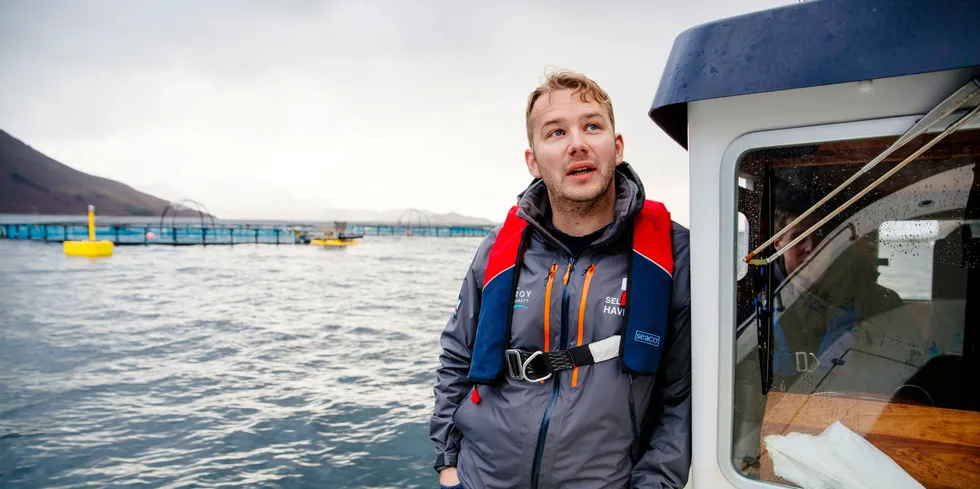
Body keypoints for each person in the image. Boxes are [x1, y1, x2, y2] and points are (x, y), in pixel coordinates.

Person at [429, 69, 692, 489]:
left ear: (617, 146)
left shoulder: (672, 254)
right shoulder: (498, 250)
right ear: (533, 161)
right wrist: (448, 467)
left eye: (592, 125)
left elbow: (682, 398)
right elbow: (457, 357)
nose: (577, 143)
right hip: (480, 478)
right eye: (555, 133)